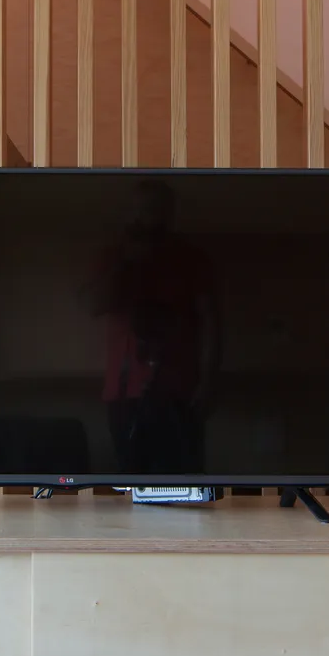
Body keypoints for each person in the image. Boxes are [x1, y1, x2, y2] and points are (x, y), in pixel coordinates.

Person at [86, 182, 220, 475]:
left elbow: (211, 322)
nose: (145, 218)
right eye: (139, 210)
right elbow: (95, 306)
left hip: (179, 393)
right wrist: (125, 262)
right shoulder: (112, 257)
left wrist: (208, 383)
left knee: (185, 485)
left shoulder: (192, 259)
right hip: (124, 395)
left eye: (154, 210)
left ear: (169, 214)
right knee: (130, 486)